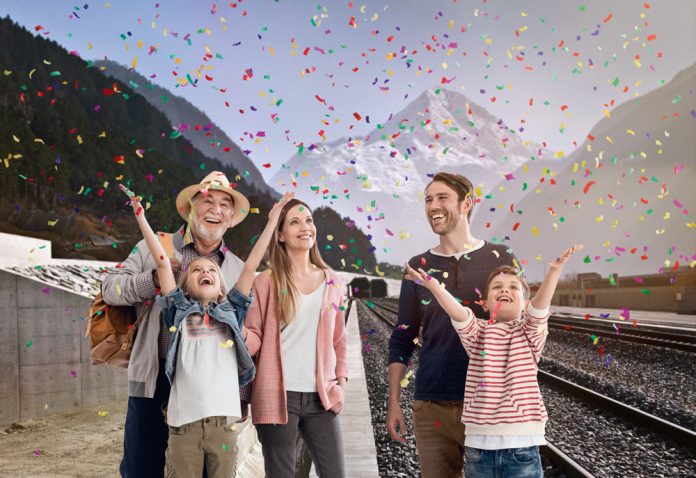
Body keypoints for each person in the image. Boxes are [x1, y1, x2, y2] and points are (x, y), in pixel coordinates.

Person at [118, 183, 293, 477]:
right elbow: (162, 262)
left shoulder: (232, 310)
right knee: (145, 464)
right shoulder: (178, 311)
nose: (206, 272)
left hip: (220, 422)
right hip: (181, 418)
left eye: (212, 270)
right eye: (197, 270)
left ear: (224, 284)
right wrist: (140, 217)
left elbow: (251, 266)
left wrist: (273, 220)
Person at [102, 171, 253, 477]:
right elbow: (110, 288)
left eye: (225, 204)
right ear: (190, 207)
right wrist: (153, 279)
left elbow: (240, 339)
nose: (216, 209)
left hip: (211, 391)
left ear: (231, 217)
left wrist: (242, 395)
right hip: (155, 379)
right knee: (143, 468)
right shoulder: (154, 247)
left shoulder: (237, 268)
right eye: (208, 200)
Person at [404, 245, 583, 478]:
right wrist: (436, 289)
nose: (504, 290)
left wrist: (553, 272)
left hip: (522, 445)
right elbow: (458, 313)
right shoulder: (478, 333)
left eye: (513, 288)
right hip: (480, 448)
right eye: (497, 287)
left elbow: (540, 309)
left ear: (525, 304)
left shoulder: (530, 333)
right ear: (485, 304)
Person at [386, 172, 517, 477]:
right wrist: (394, 401)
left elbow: (522, 326)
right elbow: (403, 336)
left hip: (488, 406)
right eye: (429, 199)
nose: (433, 205)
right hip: (432, 405)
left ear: (467, 204)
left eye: (442, 197)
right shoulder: (417, 267)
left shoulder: (500, 257)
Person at [243, 198, 348, 478]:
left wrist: (342, 379)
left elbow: (338, 338)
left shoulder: (332, 281)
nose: (305, 227)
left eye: (309, 220)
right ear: (280, 234)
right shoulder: (265, 282)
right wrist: (235, 332)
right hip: (278, 396)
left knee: (335, 473)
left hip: (321, 397)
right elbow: (253, 336)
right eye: (294, 221)